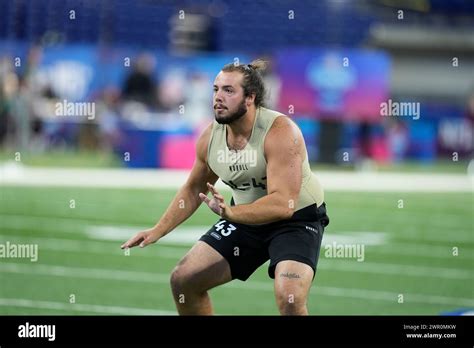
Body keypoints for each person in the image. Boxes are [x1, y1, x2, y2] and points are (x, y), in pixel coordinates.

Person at [121, 59, 329, 315]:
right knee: (184, 280)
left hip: (296, 220)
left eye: (229, 91)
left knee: (289, 298)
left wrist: (231, 214)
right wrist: (158, 230)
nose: (218, 97)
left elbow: (283, 205)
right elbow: (193, 187)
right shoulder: (210, 137)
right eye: (216, 89)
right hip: (244, 217)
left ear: (250, 97)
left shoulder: (281, 132)